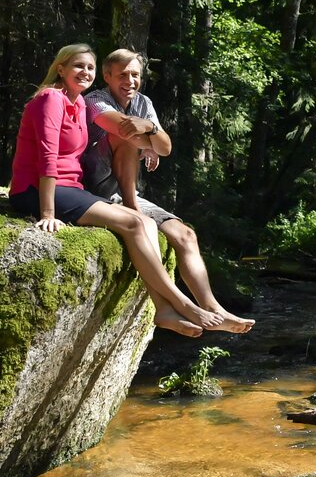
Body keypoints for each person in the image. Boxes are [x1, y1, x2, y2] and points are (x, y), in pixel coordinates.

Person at [8, 44, 225, 338]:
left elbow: (163, 147)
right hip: (37, 189)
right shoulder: (51, 98)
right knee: (134, 222)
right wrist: (47, 212)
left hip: (72, 187)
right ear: (61, 69)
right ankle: (182, 302)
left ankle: (163, 309)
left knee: (146, 222)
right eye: (77, 66)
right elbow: (48, 156)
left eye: (89, 68)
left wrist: (147, 136)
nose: (84, 72)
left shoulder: (79, 103)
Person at [82, 48, 254, 334]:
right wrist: (147, 140)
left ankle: (213, 309)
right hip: (95, 188)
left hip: (124, 191)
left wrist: (149, 128)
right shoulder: (96, 100)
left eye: (135, 74)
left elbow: (166, 147)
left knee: (185, 235)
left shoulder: (143, 103)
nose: (130, 80)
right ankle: (170, 306)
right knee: (124, 140)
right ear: (107, 76)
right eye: (123, 75)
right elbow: (123, 131)